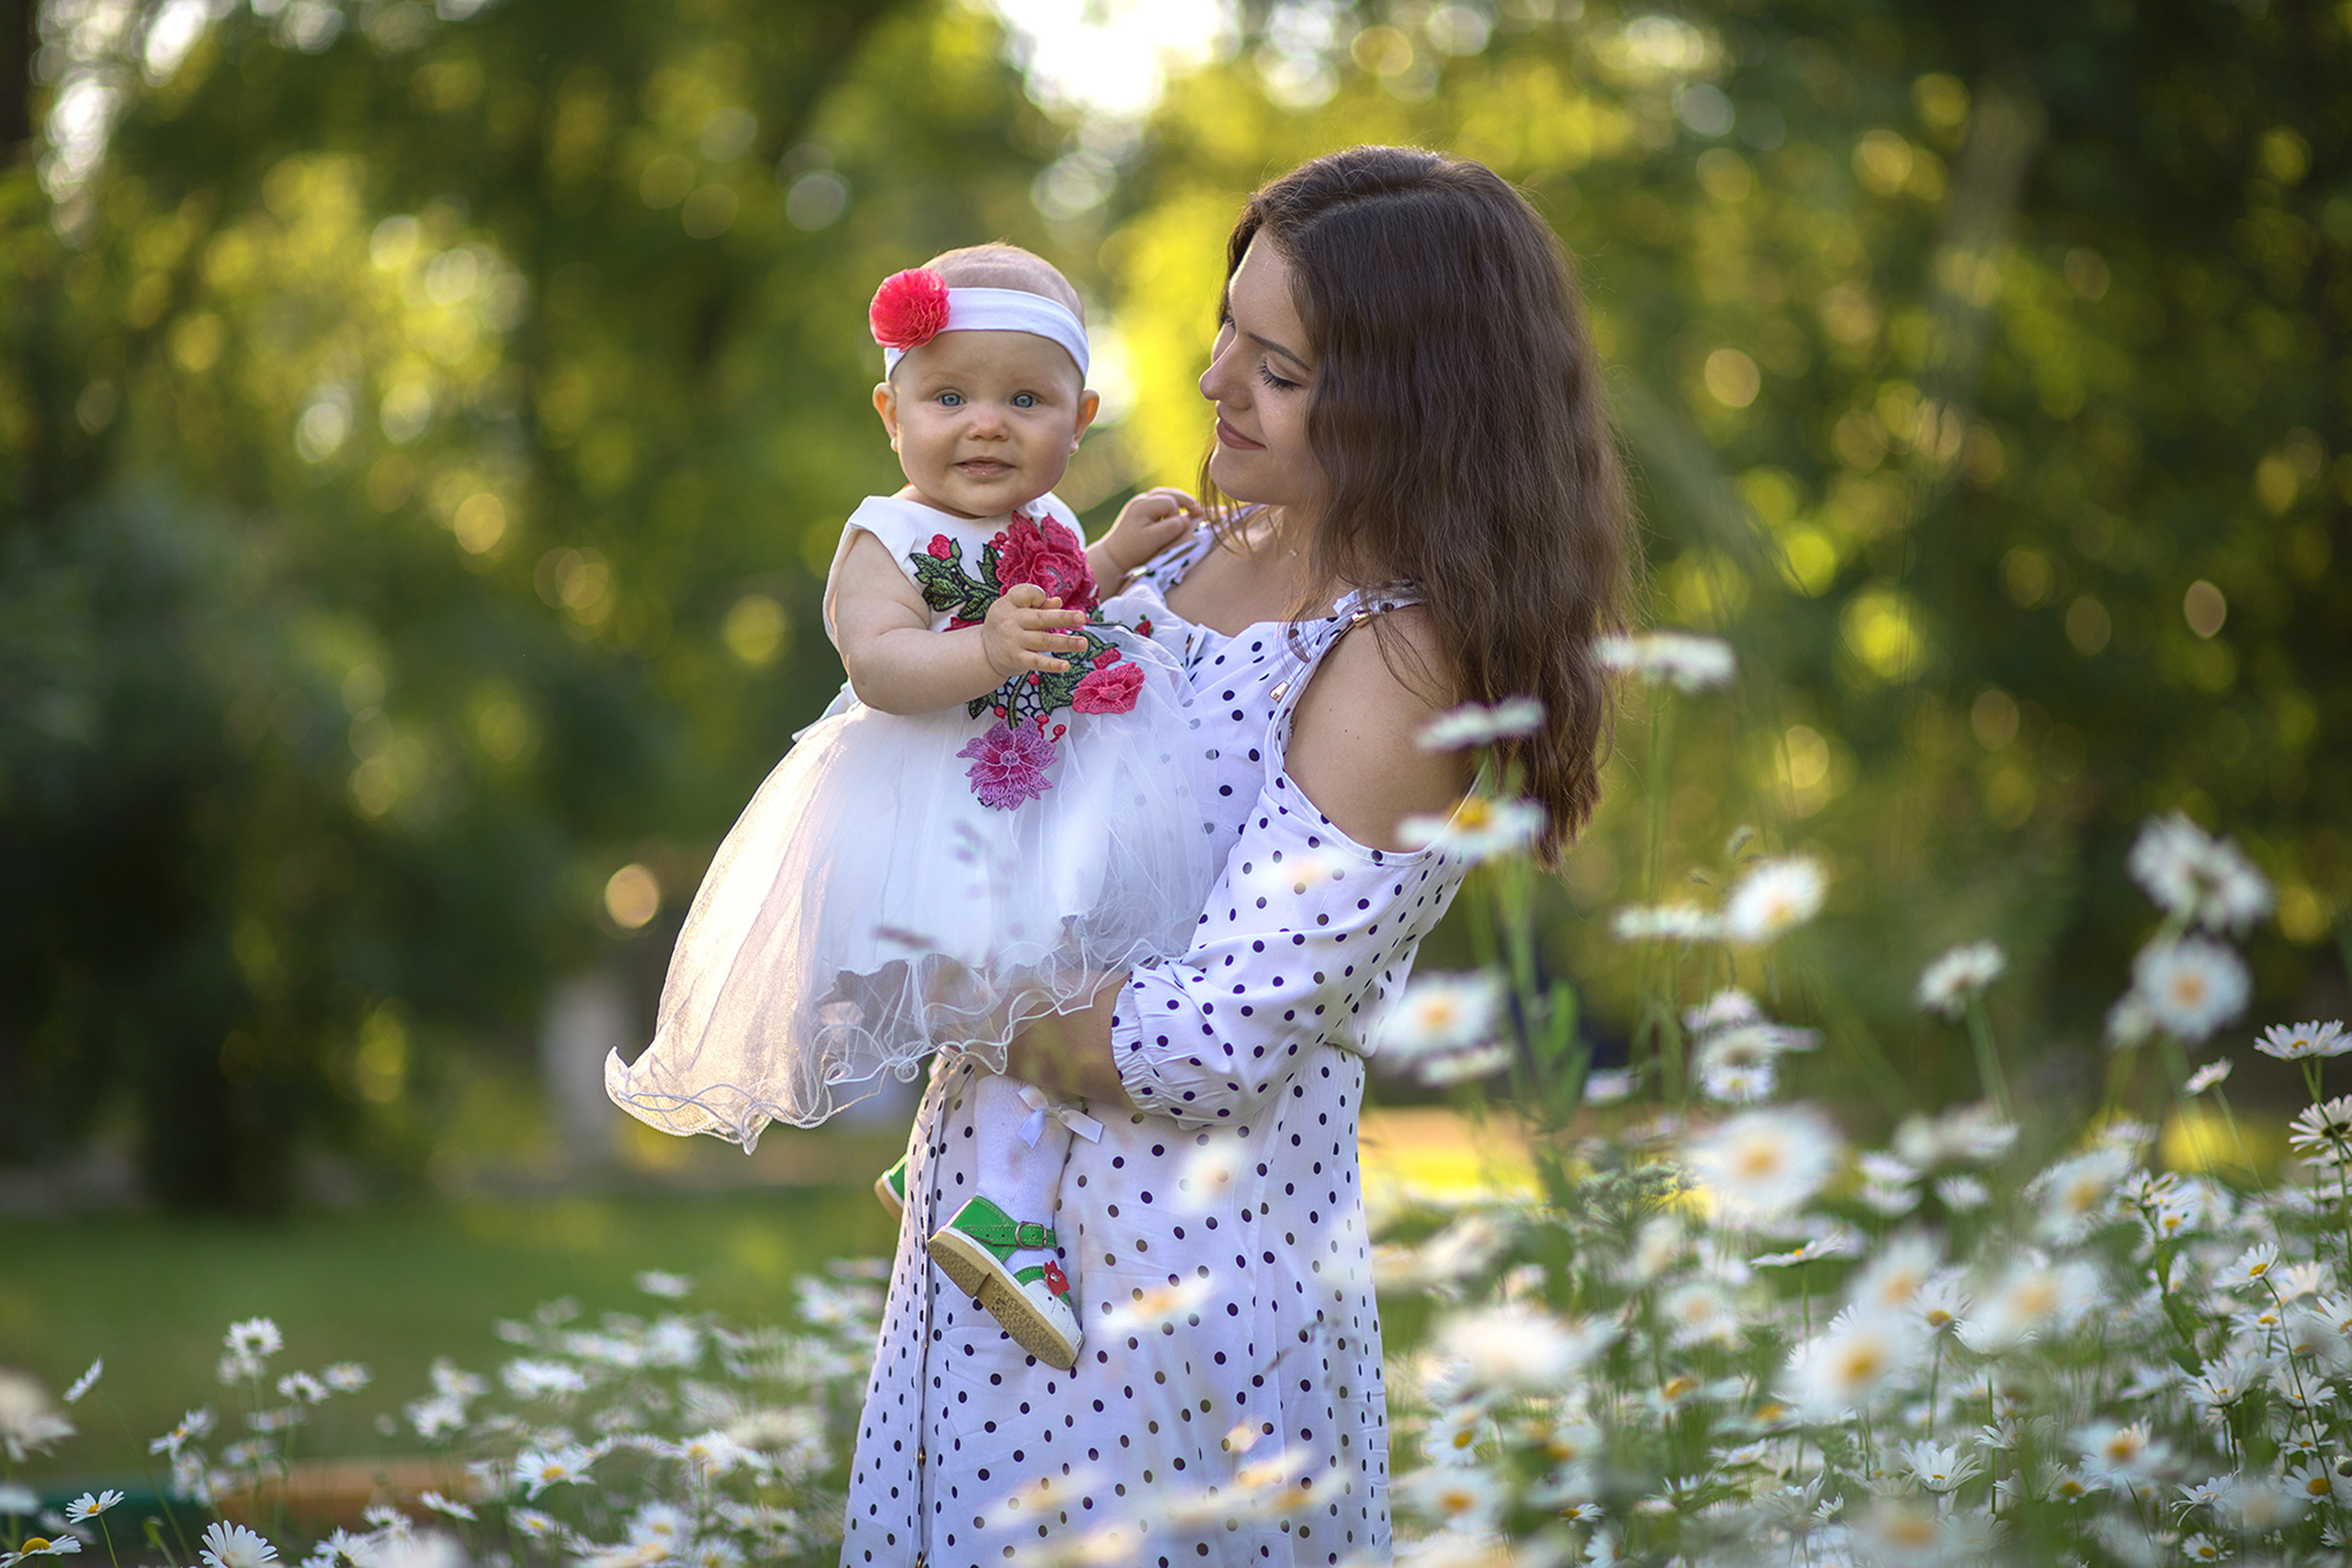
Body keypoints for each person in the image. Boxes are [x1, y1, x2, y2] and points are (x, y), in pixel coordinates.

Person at [841, 146, 1632, 1567]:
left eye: (1276, 367)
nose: (1214, 384)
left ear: (1409, 407)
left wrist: (939, 975)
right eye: (1227, 334)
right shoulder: (1196, 543)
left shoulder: (1402, 666)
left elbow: (1210, 1043)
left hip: (1163, 1310)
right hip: (993, 1247)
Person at [607, 243, 1216, 1371]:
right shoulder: (885, 536)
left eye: (1023, 400)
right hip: (933, 814)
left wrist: (1114, 556)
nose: (985, 425)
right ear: (891, 413)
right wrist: (985, 646)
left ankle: (952, 1165)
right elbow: (884, 667)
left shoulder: (1042, 532)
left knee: (1050, 985)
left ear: (1078, 419)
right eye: (950, 396)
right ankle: (1007, 1215)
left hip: (1032, 797)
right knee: (1037, 990)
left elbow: (1062, 609)